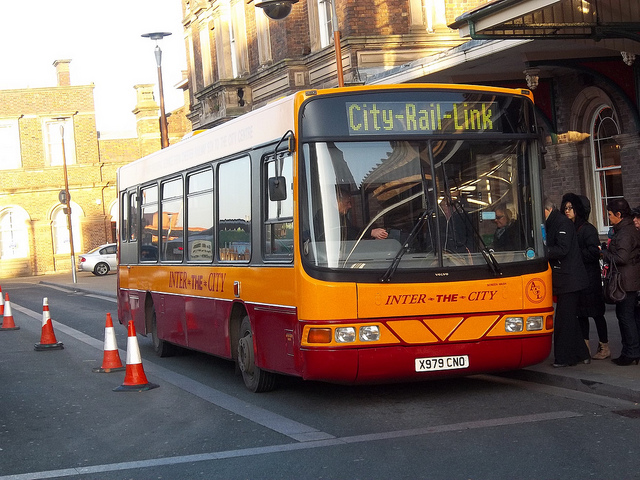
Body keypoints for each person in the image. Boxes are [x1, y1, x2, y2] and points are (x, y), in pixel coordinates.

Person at [561, 193, 609, 359]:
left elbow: (594, 253)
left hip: (590, 279)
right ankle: (585, 347)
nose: (567, 211)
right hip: (579, 279)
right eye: (565, 208)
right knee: (581, 315)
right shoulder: (570, 229)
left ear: (578, 210)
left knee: (596, 314)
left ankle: (604, 346)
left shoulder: (587, 229)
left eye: (570, 208)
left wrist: (574, 254)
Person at [544, 197, 591, 367]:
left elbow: (562, 249)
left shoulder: (561, 223)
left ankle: (565, 358)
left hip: (569, 280)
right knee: (569, 319)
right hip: (568, 279)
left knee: (563, 321)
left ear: (546, 210)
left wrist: (544, 251)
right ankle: (582, 354)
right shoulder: (559, 222)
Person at [602, 198, 640, 366]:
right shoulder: (627, 230)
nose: (608, 217)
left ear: (618, 214)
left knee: (625, 317)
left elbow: (621, 258)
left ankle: (631, 352)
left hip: (625, 281)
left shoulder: (625, 233)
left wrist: (603, 253)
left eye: (610, 214)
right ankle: (631, 351)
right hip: (629, 279)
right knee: (627, 316)